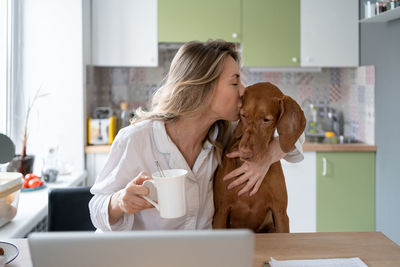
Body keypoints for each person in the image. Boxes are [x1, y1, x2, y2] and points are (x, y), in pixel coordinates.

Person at [89, 40, 304, 231]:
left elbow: (295, 131)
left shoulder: (226, 133)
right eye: (235, 82)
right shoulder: (136, 140)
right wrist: (118, 202)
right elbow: (95, 208)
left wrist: (266, 157)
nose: (243, 91)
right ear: (204, 87)